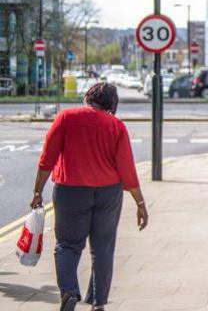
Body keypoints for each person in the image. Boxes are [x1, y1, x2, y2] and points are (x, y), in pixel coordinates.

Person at [30, 82, 149, 311]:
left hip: (70, 191)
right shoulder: (116, 126)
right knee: (102, 248)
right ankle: (98, 303)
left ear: (88, 97)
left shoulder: (66, 118)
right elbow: (127, 170)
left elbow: (47, 159)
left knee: (67, 245)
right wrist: (140, 202)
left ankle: (69, 292)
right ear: (112, 104)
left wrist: (37, 192)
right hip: (108, 193)